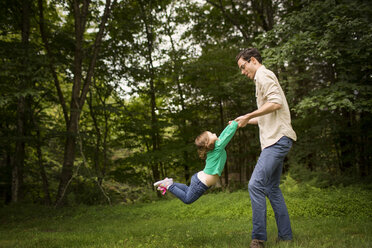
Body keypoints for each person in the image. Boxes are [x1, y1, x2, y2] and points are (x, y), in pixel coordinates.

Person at [233, 48, 297, 248]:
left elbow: (276, 103)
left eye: (243, 67)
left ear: (252, 60)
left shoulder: (263, 74)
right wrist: (243, 120)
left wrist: (249, 115)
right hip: (276, 139)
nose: (243, 72)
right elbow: (266, 113)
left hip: (277, 140)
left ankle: (258, 239)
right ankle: (286, 237)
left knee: (255, 185)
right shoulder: (260, 78)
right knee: (271, 188)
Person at [154, 121, 238, 204]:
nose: (214, 133)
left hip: (200, 180)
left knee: (188, 190)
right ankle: (169, 186)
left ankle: (170, 183)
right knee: (187, 200)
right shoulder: (217, 147)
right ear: (208, 142)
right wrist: (234, 124)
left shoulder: (216, 147)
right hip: (201, 182)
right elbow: (228, 135)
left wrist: (230, 125)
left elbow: (224, 135)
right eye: (211, 134)